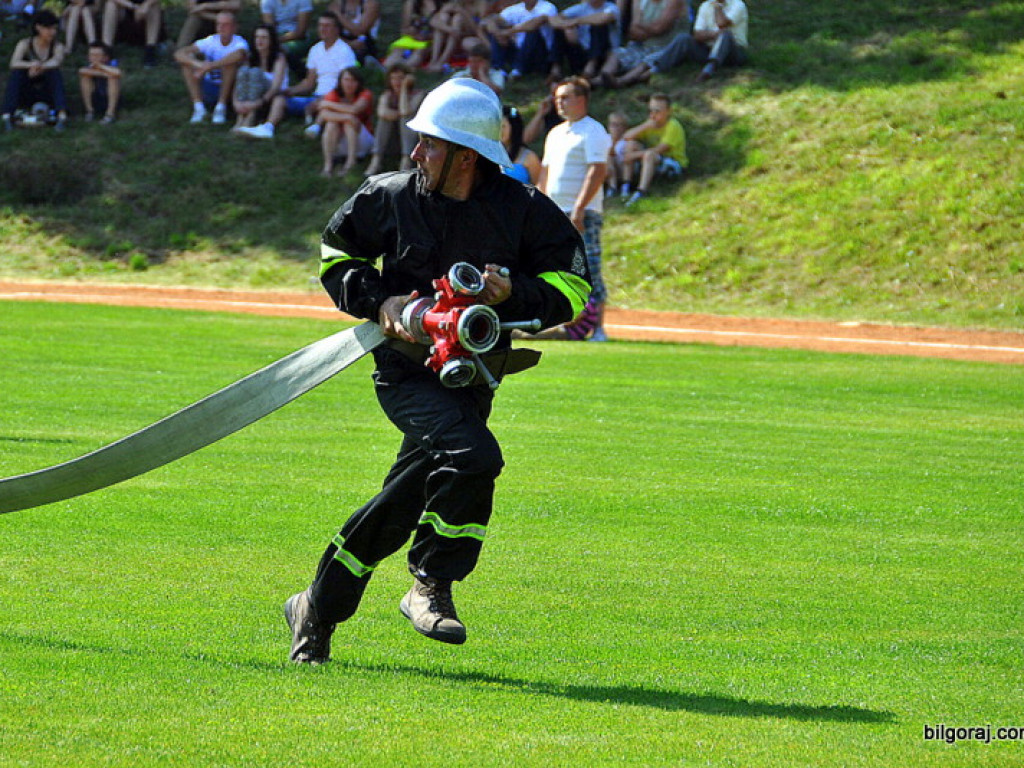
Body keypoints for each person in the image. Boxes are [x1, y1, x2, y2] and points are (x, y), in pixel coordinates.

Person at [283, 77, 590, 664]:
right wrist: (382, 302)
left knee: (401, 500)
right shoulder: (391, 196)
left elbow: (574, 288)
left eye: (428, 143)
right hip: (405, 373)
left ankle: (315, 609)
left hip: (475, 376)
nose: (416, 153)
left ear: (466, 155)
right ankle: (431, 584)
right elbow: (336, 254)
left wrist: (514, 295)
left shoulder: (523, 211)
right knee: (476, 458)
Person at [537, 76, 610, 341]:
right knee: (555, 268)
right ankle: (561, 322)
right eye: (558, 98)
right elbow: (545, 173)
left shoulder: (593, 131)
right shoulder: (555, 133)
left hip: (582, 213)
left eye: (565, 97)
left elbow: (597, 170)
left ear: (582, 100)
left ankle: (599, 327)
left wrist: (579, 208)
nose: (560, 102)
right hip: (556, 213)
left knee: (589, 265)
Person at [233, 11, 355, 140]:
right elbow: (309, 82)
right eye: (320, 25)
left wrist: (327, 97)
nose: (323, 29)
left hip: (334, 98)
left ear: (337, 29)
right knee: (280, 98)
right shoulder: (316, 49)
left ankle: (315, 127)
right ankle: (268, 127)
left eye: (327, 25)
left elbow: (347, 83)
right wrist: (291, 90)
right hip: (314, 97)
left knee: (326, 101)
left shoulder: (344, 51)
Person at [622, 0, 747, 84]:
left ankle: (709, 70)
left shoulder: (737, 4)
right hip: (708, 49)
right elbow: (697, 35)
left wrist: (718, 7)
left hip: (733, 52)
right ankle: (655, 70)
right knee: (684, 38)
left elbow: (722, 23)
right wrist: (714, 34)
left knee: (725, 35)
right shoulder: (706, 5)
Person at [174, 10, 248, 125]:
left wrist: (210, 66)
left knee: (229, 64)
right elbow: (179, 54)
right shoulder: (210, 41)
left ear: (234, 27)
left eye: (225, 25)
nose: (221, 28)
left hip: (230, 91)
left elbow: (239, 54)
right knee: (187, 64)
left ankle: (221, 107)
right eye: (219, 24)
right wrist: (198, 65)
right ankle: (199, 108)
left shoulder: (239, 42)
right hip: (208, 86)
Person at [614, 91, 686, 206]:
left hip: (673, 165)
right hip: (654, 162)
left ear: (668, 111)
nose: (653, 114)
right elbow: (626, 137)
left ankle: (641, 192)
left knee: (649, 154)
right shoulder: (651, 124)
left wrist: (633, 156)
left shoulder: (673, 126)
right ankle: (626, 186)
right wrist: (645, 126)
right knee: (631, 145)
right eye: (650, 110)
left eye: (657, 111)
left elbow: (661, 149)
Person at [2, 10, 68, 132]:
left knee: (54, 73)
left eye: (54, 29)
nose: (52, 32)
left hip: (47, 90)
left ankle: (61, 115)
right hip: (27, 89)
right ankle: (7, 114)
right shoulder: (25, 44)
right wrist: (31, 65)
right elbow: (14, 63)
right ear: (38, 27)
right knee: (17, 73)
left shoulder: (57, 46)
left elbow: (57, 61)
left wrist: (40, 67)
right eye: (49, 29)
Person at [597, 0, 687, 88]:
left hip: (666, 47)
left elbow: (660, 28)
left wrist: (643, 29)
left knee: (649, 61)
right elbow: (633, 30)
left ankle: (622, 81)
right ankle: (602, 77)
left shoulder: (675, 1)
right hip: (643, 45)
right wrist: (649, 30)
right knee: (616, 53)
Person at [363, 62, 423, 176]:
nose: (397, 82)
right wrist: (398, 114)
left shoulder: (418, 94)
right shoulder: (387, 95)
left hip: (412, 141)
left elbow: (405, 111)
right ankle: (376, 160)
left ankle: (406, 161)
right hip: (391, 140)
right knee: (384, 120)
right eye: (393, 78)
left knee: (406, 118)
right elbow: (381, 112)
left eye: (401, 78)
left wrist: (404, 89)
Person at [316, 65, 374, 177]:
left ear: (358, 83)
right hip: (340, 140)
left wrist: (328, 104)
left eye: (353, 80)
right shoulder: (334, 94)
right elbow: (324, 114)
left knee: (349, 123)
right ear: (340, 81)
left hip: (362, 140)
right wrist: (346, 117)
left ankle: (351, 162)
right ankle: (328, 165)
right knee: (331, 124)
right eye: (346, 80)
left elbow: (355, 109)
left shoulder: (365, 94)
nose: (349, 84)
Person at [231, 24, 287, 131]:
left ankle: (250, 117)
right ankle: (240, 119)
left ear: (271, 40)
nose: (259, 41)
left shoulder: (279, 58)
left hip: (268, 98)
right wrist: (236, 102)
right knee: (244, 71)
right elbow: (239, 82)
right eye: (257, 37)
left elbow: (275, 87)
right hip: (247, 99)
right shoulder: (250, 57)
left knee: (255, 73)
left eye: (264, 38)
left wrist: (257, 103)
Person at [483, 0, 559, 78]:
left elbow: (536, 22)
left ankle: (519, 70)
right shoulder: (515, 9)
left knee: (533, 32)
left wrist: (508, 32)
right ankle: (498, 69)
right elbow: (493, 19)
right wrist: (497, 32)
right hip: (519, 50)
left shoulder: (547, 7)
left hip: (540, 53)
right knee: (498, 29)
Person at [547, 0, 619, 80]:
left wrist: (575, 22)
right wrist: (567, 27)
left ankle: (591, 68)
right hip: (582, 52)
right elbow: (554, 20)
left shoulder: (611, 8)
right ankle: (556, 69)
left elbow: (604, 18)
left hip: (604, 55)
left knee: (598, 26)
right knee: (560, 29)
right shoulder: (582, 8)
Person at [103, 0, 164, 67]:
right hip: (125, 12)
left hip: (145, 16)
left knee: (154, 6)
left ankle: (150, 51)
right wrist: (133, 6)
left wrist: (146, 4)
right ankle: (106, 50)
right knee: (111, 5)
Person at [381, 0, 439, 69]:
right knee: (397, 51)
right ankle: (387, 70)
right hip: (411, 37)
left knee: (419, 52)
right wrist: (414, 34)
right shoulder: (411, 3)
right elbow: (404, 29)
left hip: (430, 40)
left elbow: (440, 32)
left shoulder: (439, 5)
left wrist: (427, 36)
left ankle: (404, 70)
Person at [260, 0, 313, 75]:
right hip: (276, 36)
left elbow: (301, 32)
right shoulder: (267, 1)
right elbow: (270, 29)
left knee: (280, 49)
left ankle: (300, 72)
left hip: (298, 39)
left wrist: (275, 41)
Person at [78, 41, 121, 123]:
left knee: (113, 78)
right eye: (91, 55)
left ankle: (110, 114)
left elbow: (117, 72)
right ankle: (89, 111)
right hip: (95, 97)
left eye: (97, 55)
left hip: (109, 97)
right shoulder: (89, 66)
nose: (93, 58)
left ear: (106, 57)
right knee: (85, 77)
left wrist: (101, 66)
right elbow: (81, 70)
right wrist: (103, 74)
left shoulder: (112, 63)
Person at [175, 0, 239, 51]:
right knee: (193, 18)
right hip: (201, 15)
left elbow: (235, 5)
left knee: (227, 20)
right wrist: (215, 17)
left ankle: (230, 51)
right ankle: (182, 49)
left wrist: (205, 6)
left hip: (222, 15)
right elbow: (191, 8)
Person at [500, 104, 540, 184]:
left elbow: (540, 186)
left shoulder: (529, 157)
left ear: (514, 127)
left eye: (503, 126)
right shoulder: (487, 155)